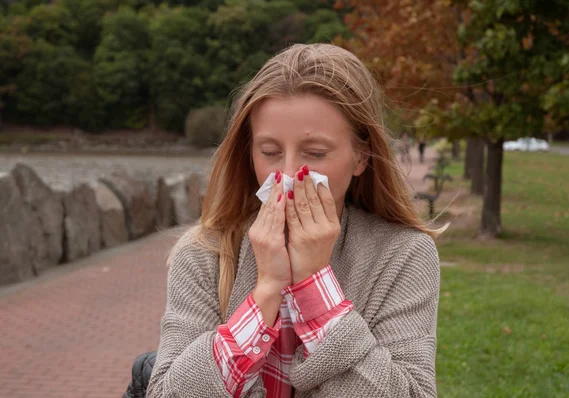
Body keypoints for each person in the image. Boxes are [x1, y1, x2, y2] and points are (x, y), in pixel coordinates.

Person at [147, 43, 442, 398]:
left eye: (315, 154)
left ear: (361, 156)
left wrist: (316, 288)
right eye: (269, 152)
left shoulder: (404, 254)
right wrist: (266, 289)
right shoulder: (204, 252)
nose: (288, 174)